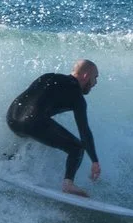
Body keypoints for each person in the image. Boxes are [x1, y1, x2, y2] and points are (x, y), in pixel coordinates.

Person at [7, 59, 103, 193]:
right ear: (86, 76)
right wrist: (94, 161)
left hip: (12, 118)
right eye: (95, 78)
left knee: (31, 136)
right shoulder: (77, 97)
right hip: (32, 122)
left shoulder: (48, 76)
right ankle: (68, 184)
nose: (95, 83)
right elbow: (84, 131)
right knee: (77, 148)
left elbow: (31, 99)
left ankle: (8, 161)